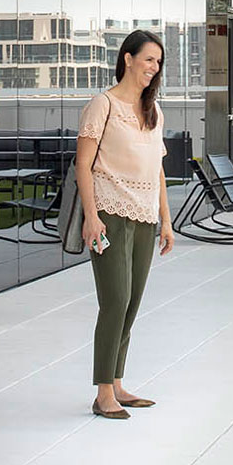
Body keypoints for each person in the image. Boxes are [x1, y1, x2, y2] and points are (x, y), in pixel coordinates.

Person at [75, 29, 176, 420]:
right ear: (128, 59)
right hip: (110, 216)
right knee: (114, 302)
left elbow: (158, 171)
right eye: (149, 59)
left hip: (145, 218)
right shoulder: (103, 105)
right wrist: (91, 216)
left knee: (131, 304)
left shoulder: (153, 111)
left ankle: (117, 383)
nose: (154, 67)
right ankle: (103, 392)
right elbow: (83, 164)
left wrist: (166, 221)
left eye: (158, 62)